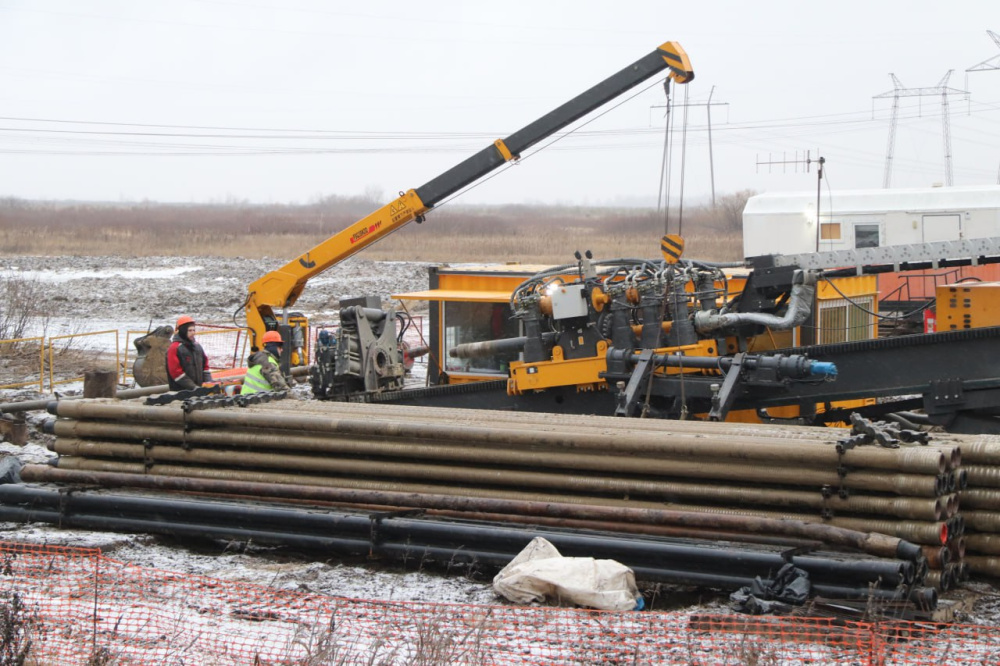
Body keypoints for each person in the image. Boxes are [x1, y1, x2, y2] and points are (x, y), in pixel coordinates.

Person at [166, 315, 213, 391]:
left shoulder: (197, 346)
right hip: (180, 392)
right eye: (190, 330)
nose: (193, 333)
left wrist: (209, 383)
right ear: (183, 331)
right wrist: (193, 387)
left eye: (194, 330)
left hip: (197, 390)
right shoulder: (174, 348)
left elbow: (205, 366)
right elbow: (176, 372)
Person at [240, 330, 290, 395]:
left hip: (245, 397)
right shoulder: (268, 363)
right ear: (274, 347)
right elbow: (281, 388)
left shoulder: (259, 358)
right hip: (256, 401)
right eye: (280, 347)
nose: (282, 350)